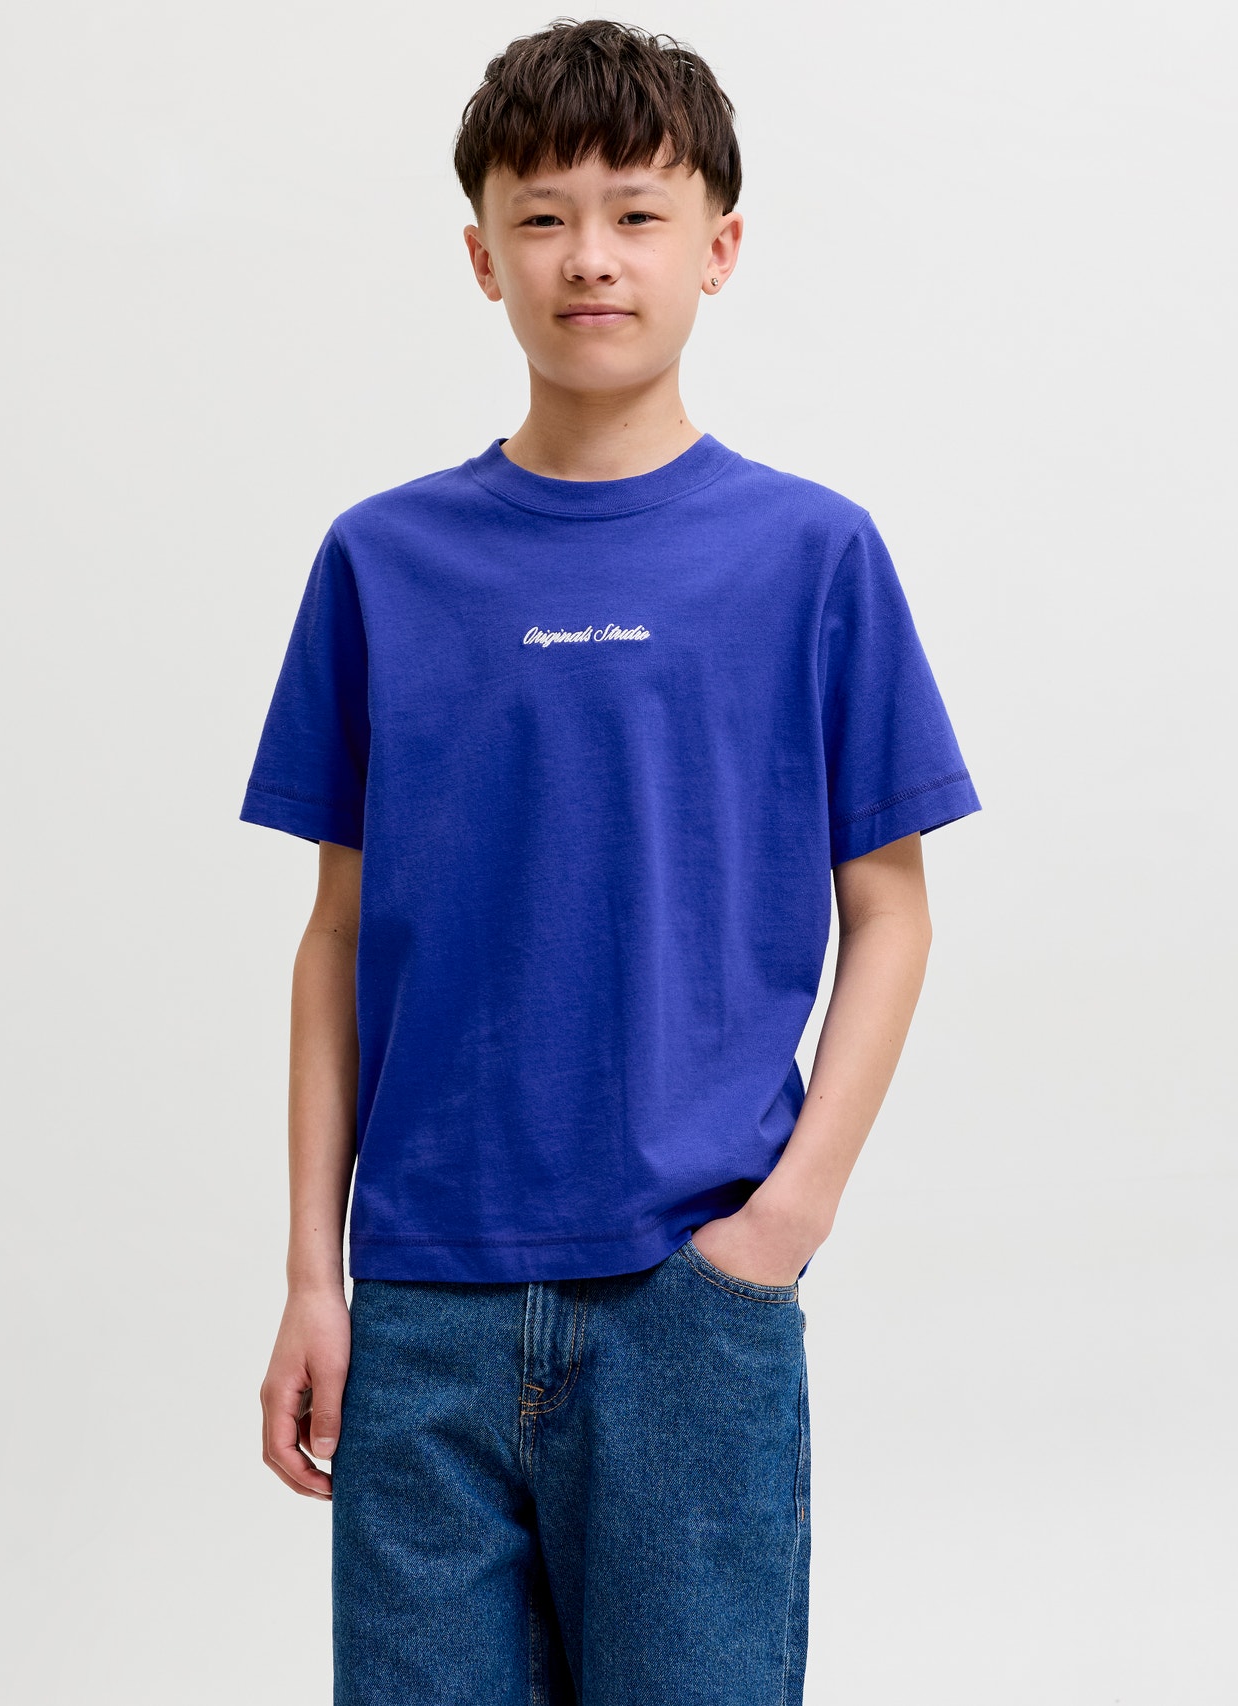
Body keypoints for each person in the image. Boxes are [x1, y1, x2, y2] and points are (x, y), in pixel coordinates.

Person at [239, 18, 981, 1705]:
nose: (591, 256)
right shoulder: (382, 560)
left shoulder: (812, 555)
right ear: (480, 255)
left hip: (688, 1296)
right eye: (543, 215)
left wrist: (782, 1224)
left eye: (638, 213)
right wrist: (311, 1273)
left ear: (719, 246)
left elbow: (892, 912)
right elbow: (335, 933)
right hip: (422, 1299)